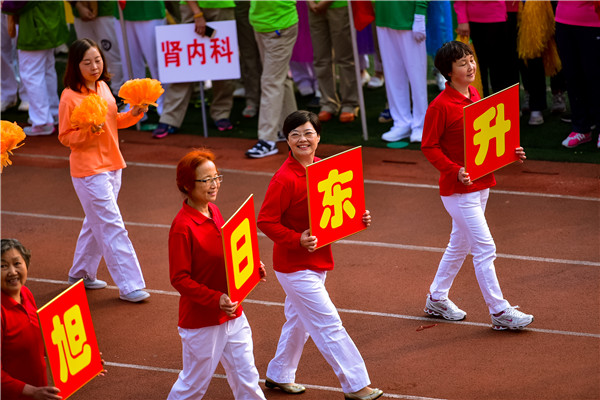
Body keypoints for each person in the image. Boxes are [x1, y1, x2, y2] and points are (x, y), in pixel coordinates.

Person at [258, 110, 383, 400]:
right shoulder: (284, 179)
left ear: (318, 136)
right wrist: (296, 239)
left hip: (318, 260)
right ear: (287, 141)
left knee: (298, 322)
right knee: (328, 322)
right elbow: (265, 221)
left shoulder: (324, 168)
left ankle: (278, 374)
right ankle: (355, 385)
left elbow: (337, 209)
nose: (303, 139)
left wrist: (356, 218)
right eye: (295, 135)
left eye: (308, 133)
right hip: (294, 266)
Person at [421, 41, 534, 331]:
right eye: (463, 63)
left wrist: (511, 151)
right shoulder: (440, 106)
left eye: (471, 60)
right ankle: (499, 311)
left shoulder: (473, 94)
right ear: (449, 71)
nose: (471, 67)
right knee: (485, 247)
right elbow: (429, 146)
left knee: (459, 245)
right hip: (458, 191)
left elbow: (484, 136)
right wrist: (455, 170)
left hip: (482, 184)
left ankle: (436, 298)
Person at [167, 149, 267, 400]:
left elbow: (227, 253)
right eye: (207, 179)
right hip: (203, 321)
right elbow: (179, 278)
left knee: (248, 378)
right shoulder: (182, 227)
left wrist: (252, 266)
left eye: (217, 177)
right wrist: (216, 299)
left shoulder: (214, 211)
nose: (214, 185)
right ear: (188, 185)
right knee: (193, 386)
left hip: (233, 313)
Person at [58, 38, 150, 303]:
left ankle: (80, 274)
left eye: (97, 60)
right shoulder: (69, 97)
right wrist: (87, 132)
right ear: (76, 65)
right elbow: (65, 136)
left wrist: (135, 113)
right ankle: (130, 284)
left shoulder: (103, 88)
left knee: (95, 222)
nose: (94, 66)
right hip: (88, 171)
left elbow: (114, 121)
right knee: (112, 225)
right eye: (87, 62)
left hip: (113, 165)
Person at [1, 238, 62, 400]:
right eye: (3, 266)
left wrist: (85, 361)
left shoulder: (26, 294)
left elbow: (37, 341)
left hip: (38, 392)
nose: (12, 272)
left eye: (17, 263)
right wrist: (31, 392)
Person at [3, 1, 69, 136]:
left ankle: (42, 121)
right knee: (47, 71)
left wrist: (6, 4)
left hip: (36, 26)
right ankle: (52, 113)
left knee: (32, 74)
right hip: (47, 22)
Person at [245, 1, 298, 159]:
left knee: (271, 81)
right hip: (262, 25)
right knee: (279, 79)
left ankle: (267, 139)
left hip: (280, 25)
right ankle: (293, 129)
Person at [375, 1, 429, 143]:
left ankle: (421, 124)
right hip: (383, 15)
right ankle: (401, 122)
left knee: (416, 73)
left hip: (408, 16)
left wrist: (420, 14)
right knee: (392, 73)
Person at [555, 1, 600, 149]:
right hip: (563, 19)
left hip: (593, 21)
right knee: (572, 76)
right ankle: (581, 128)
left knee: (595, 77)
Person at [307, 0, 360, 123]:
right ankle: (328, 103)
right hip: (314, 8)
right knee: (321, 58)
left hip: (338, 5)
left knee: (345, 57)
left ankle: (350, 104)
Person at [71, 1, 125, 98]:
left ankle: (118, 95)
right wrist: (78, 4)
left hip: (106, 11)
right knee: (85, 57)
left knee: (112, 55)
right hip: (80, 12)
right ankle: (91, 94)